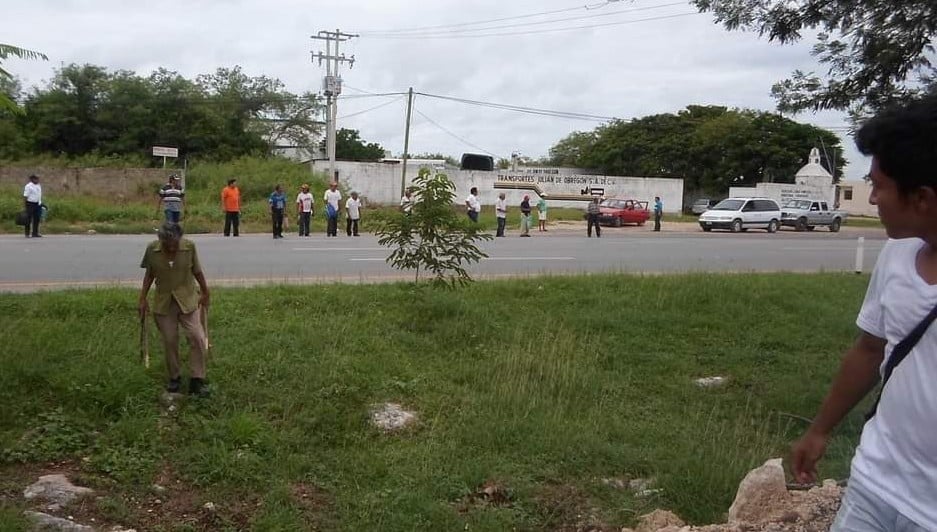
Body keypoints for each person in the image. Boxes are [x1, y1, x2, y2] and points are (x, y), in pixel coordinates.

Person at [790, 94, 937, 532]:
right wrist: (819, 430)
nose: (871, 199)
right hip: (873, 484)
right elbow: (870, 349)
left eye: (878, 186)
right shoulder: (897, 253)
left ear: (922, 199)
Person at [138, 222, 211, 397]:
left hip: (188, 299)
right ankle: (174, 377)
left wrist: (206, 292)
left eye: (174, 244)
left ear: (180, 239)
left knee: (197, 337)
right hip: (164, 302)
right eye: (167, 244)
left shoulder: (189, 247)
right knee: (170, 340)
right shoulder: (152, 249)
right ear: (161, 240)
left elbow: (197, 271)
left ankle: (197, 380)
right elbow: (149, 274)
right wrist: (142, 298)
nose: (171, 247)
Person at [22, 174, 42, 238]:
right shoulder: (28, 186)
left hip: (37, 204)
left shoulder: (38, 185)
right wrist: (24, 205)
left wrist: (40, 202)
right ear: (32, 179)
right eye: (36, 179)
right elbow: (25, 196)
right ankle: (27, 233)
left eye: (38, 179)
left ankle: (35, 233)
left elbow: (38, 195)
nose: (38, 180)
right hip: (30, 204)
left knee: (37, 219)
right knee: (28, 219)